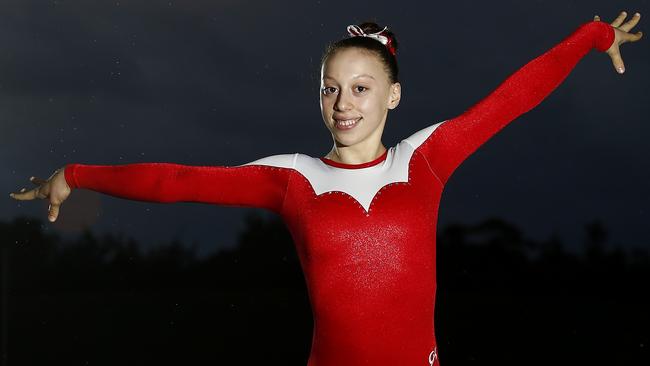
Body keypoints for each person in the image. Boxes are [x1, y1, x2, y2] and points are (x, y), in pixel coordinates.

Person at [10, 11, 643, 366]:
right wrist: (75, 174)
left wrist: (592, 37)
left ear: (393, 95)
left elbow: (513, 98)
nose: (343, 104)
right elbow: (177, 182)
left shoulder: (424, 159)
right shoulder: (294, 179)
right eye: (330, 88)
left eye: (361, 88)